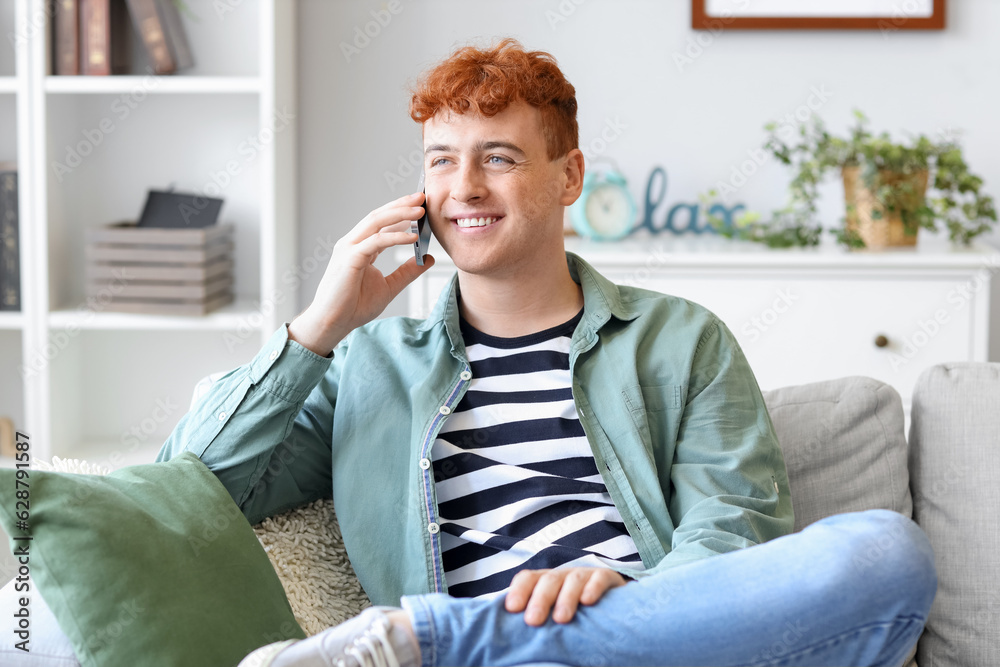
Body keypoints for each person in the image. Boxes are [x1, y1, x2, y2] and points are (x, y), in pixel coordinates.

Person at [157, 39, 936, 667]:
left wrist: (629, 592)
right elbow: (188, 488)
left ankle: (441, 637)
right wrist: (317, 328)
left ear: (569, 177)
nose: (464, 186)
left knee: (887, 551)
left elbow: (734, 534)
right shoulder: (370, 366)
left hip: (654, 650)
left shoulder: (682, 340)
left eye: (498, 157)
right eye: (441, 159)